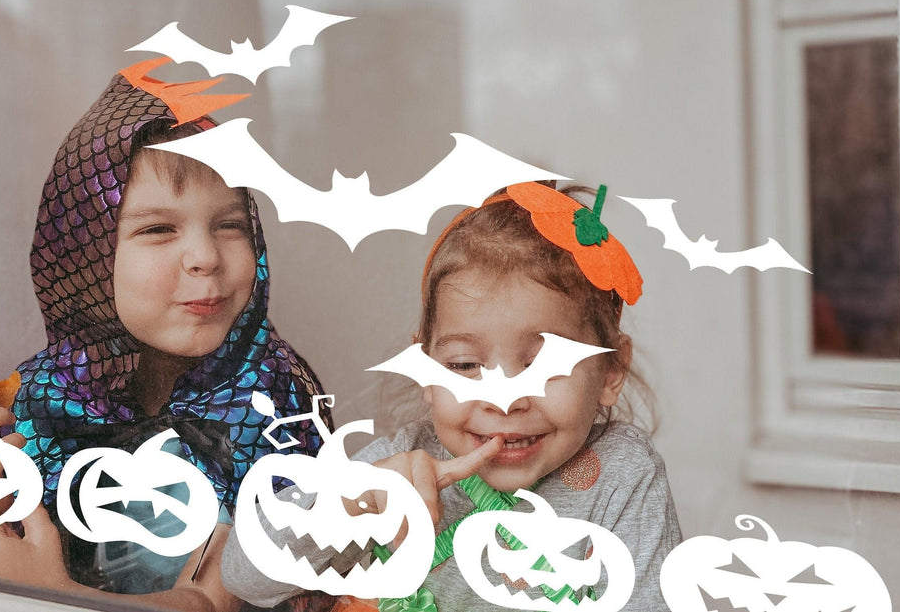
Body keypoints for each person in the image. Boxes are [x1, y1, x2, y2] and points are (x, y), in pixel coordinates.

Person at [0, 63, 329, 612]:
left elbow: (218, 600)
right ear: (86, 257)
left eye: (229, 225)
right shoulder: (42, 397)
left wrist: (55, 596)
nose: (206, 256)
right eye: (158, 229)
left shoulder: (275, 401)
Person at [221, 183, 683, 611]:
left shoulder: (623, 475)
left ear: (610, 369)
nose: (504, 400)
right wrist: (354, 503)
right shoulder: (404, 462)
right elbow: (243, 575)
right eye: (464, 365)